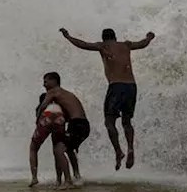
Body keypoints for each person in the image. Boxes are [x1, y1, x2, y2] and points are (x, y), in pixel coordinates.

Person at [59, 27, 154, 169]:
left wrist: (68, 36)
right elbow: (142, 43)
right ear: (115, 37)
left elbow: (83, 44)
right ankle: (130, 149)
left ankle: (118, 151)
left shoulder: (103, 46)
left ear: (104, 38)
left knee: (109, 122)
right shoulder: (127, 45)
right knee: (127, 121)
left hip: (116, 87)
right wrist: (149, 37)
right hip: (131, 86)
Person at [36, 71, 91, 181]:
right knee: (68, 149)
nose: (44, 85)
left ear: (54, 81)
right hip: (82, 124)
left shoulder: (53, 92)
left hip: (77, 124)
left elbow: (42, 107)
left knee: (58, 150)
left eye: (45, 82)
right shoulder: (65, 94)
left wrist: (37, 120)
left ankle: (68, 181)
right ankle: (76, 175)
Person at [29, 93, 73, 188]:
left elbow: (39, 116)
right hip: (60, 117)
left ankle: (34, 178)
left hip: (47, 116)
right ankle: (59, 180)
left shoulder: (43, 106)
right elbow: (67, 118)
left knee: (33, 148)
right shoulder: (59, 105)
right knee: (57, 151)